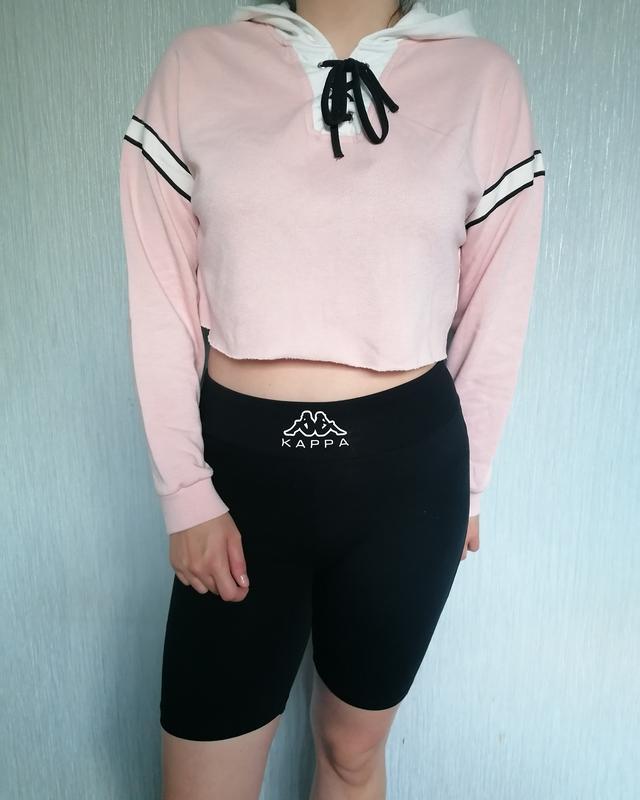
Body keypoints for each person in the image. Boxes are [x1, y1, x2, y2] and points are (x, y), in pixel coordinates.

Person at [118, 0, 546, 796]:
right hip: (238, 485)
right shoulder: (196, 68)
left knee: (352, 754)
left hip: (410, 482)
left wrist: (471, 485)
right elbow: (161, 300)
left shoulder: (483, 81)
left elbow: (496, 310)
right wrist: (184, 492)